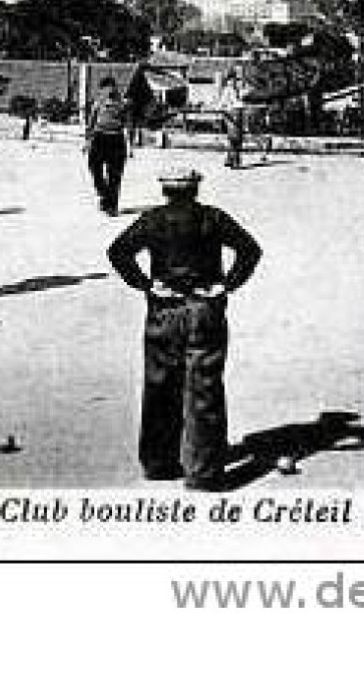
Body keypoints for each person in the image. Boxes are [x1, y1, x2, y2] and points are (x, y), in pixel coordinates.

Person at [107, 168, 263, 489]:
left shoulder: (153, 219)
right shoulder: (213, 217)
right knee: (205, 389)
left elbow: (118, 251)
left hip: (165, 310)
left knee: (160, 384)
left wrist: (147, 285)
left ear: (165, 191)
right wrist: (225, 285)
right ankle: (203, 473)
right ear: (195, 189)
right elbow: (250, 251)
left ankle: (159, 462)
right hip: (204, 308)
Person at [85, 75, 130, 215]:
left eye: (111, 88)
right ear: (101, 90)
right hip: (100, 138)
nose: (108, 91)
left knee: (115, 174)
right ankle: (105, 194)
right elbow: (91, 123)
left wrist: (130, 144)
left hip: (116, 139)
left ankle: (111, 206)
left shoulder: (123, 104)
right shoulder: (98, 103)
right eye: (105, 89)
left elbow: (128, 124)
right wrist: (88, 140)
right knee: (94, 167)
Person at [217, 68, 247, 170]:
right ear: (228, 80)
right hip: (231, 115)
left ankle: (229, 160)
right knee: (235, 138)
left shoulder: (236, 90)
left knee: (236, 138)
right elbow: (221, 105)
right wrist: (227, 114)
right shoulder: (227, 90)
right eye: (232, 80)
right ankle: (235, 161)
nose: (234, 82)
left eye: (235, 80)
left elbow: (241, 101)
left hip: (238, 115)